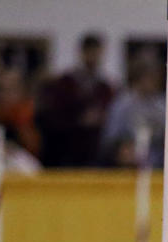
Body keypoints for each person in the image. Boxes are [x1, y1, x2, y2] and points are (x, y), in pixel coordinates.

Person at [36, 32, 115, 166]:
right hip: (66, 149)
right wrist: (79, 120)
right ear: (82, 52)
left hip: (94, 151)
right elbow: (55, 116)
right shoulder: (65, 84)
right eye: (90, 52)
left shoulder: (105, 88)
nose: (93, 57)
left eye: (96, 53)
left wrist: (101, 118)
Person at [100, 58, 165, 166]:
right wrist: (121, 147)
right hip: (126, 161)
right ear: (138, 79)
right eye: (148, 78)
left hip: (157, 161)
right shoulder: (123, 104)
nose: (152, 82)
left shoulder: (162, 105)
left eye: (155, 78)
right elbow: (109, 137)